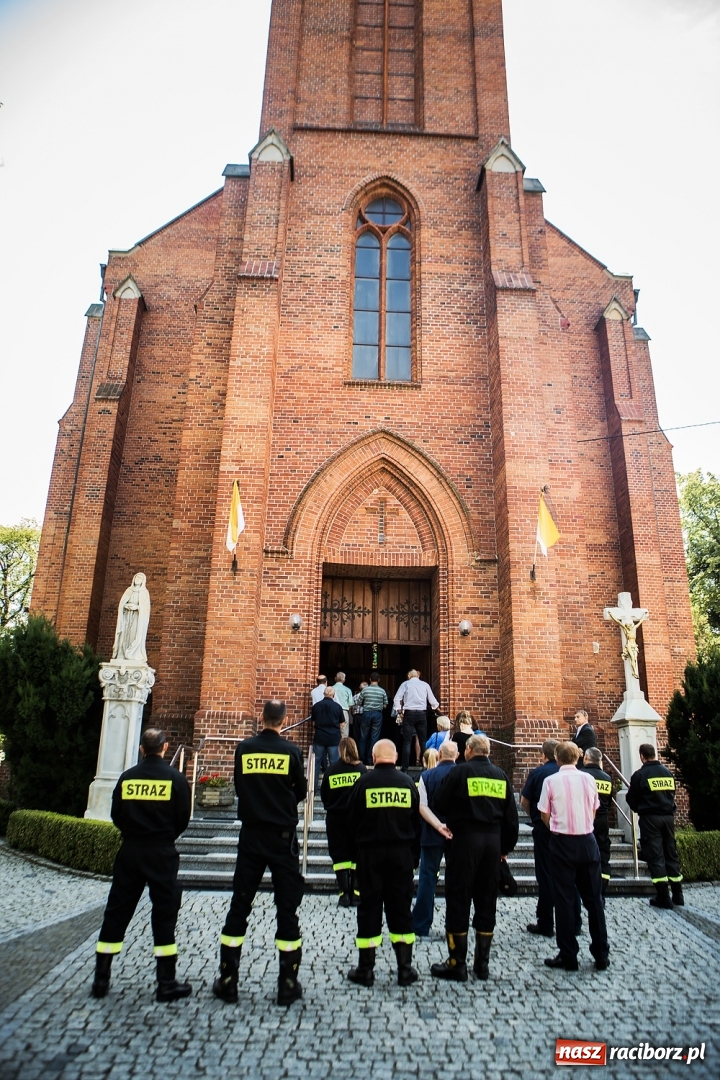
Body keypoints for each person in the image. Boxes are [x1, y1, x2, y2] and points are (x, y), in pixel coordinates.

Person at [214, 700, 306, 1007]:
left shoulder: (244, 749)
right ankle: (288, 983)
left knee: (239, 906)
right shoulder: (292, 751)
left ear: (262, 718)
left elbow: (240, 784)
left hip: (251, 835)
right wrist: (283, 801)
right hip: (282, 837)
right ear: (284, 720)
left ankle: (228, 980)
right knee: (287, 909)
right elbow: (303, 790)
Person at [91, 727, 191, 1002]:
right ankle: (166, 982)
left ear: (141, 749)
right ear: (165, 747)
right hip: (161, 851)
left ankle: (101, 979)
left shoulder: (127, 778)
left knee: (116, 912)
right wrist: (165, 835)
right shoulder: (176, 778)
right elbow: (183, 817)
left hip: (131, 850)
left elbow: (117, 814)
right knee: (164, 915)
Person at [432, 734, 518, 982]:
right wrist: (505, 849)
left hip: (464, 840)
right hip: (492, 843)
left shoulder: (459, 773)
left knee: (458, 898)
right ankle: (482, 964)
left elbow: (439, 801)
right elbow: (511, 819)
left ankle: (456, 963)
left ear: (468, 750)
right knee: (486, 900)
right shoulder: (500, 775)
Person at [345, 739, 422, 987]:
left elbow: (351, 820)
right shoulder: (408, 783)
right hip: (401, 856)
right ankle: (405, 970)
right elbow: (417, 824)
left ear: (374, 756)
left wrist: (356, 852)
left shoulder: (363, 782)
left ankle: (365, 970)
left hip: (370, 855)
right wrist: (414, 857)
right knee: (401, 909)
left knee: (369, 908)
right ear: (397, 756)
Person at [537, 741, 609, 972]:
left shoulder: (550, 781)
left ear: (557, 759)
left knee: (564, 900)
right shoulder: (589, 779)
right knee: (594, 901)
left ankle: (568, 955)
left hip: (562, 843)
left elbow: (544, 814)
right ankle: (601, 954)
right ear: (577, 758)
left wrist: (558, 827)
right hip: (588, 841)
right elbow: (594, 809)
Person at [626, 743, 683, 908]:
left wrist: (641, 809)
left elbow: (632, 799)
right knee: (671, 853)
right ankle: (678, 894)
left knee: (656, 855)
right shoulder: (667, 773)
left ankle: (663, 897)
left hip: (650, 818)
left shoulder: (640, 775)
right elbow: (672, 794)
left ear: (642, 756)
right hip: (668, 817)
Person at [412, 738, 457, 938]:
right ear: (456, 755)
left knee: (427, 878)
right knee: (456, 881)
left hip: (432, 832)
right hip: (458, 835)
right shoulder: (463, 773)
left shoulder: (427, 775)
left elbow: (422, 806)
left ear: (439, 755)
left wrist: (438, 826)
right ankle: (455, 926)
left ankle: (421, 925)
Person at [320, 737, 367, 907]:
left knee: (340, 857)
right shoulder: (361, 770)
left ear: (340, 750)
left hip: (335, 819)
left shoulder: (331, 770)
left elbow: (324, 795)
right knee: (356, 856)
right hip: (357, 819)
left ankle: (343, 894)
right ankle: (356, 894)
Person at [520, 739, 559, 937]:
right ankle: (574, 921)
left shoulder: (538, 773)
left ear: (543, 755)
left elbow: (524, 800)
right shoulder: (573, 774)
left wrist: (534, 817)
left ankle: (545, 923)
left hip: (544, 829)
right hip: (570, 832)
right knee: (570, 876)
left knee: (545, 875)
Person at [393, 669, 439, 772]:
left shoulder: (405, 684)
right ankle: (427, 766)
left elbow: (397, 698)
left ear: (409, 676)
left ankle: (405, 767)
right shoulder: (425, 685)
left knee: (407, 741)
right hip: (422, 714)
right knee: (423, 741)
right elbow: (433, 701)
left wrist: (400, 712)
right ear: (417, 676)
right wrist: (435, 708)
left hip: (409, 713)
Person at [582, 747, 613, 895]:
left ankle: (586, 886)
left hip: (585, 818)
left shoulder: (581, 776)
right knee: (603, 852)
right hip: (602, 819)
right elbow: (609, 801)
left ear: (585, 759)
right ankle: (602, 887)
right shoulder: (607, 778)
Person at [311, 686, 344, 794]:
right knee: (334, 765)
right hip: (333, 738)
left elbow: (313, 723)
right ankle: (332, 790)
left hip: (319, 737)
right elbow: (342, 724)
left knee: (316, 765)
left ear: (324, 694)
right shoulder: (338, 707)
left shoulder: (316, 706)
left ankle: (313, 789)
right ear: (333, 695)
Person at [356, 675, 389, 764]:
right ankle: (370, 759)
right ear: (379, 680)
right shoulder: (382, 690)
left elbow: (358, 702)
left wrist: (366, 704)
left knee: (363, 737)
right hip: (377, 713)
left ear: (370, 679)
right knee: (374, 738)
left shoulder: (365, 690)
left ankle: (361, 759)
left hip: (366, 713)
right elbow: (386, 705)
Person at [332, 672, 354, 738]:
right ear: (344, 680)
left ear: (335, 678)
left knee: (333, 730)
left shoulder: (331, 688)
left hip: (332, 711)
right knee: (344, 733)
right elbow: (350, 704)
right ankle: (343, 748)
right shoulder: (348, 690)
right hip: (344, 711)